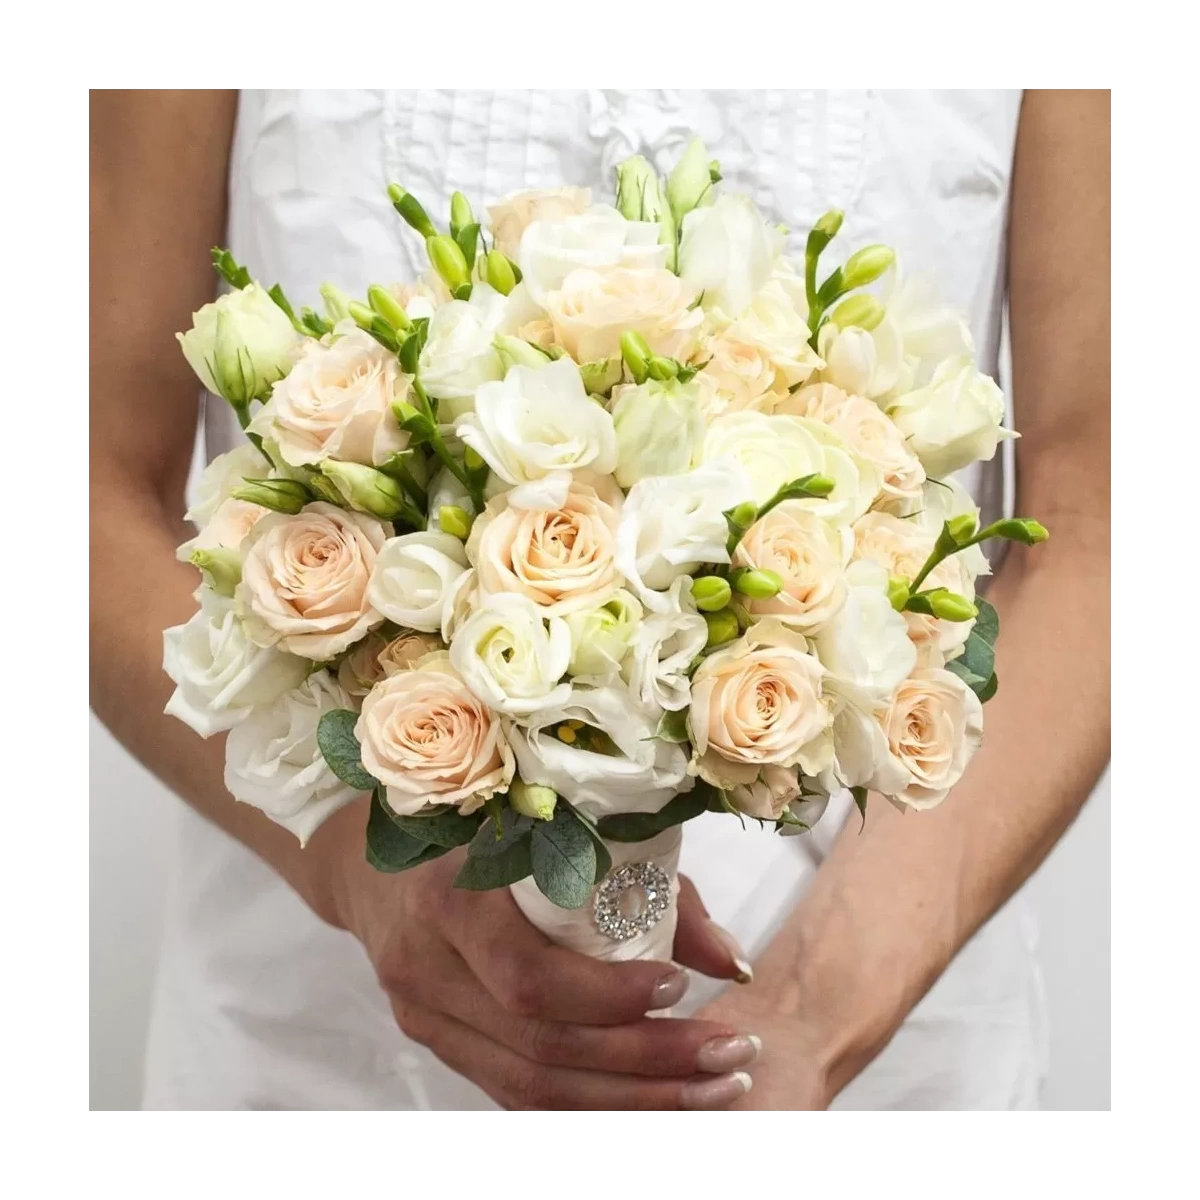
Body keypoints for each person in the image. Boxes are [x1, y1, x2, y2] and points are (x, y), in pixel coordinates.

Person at [90, 89, 1110, 1110]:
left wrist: (811, 1012)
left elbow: (1102, 521)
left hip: (893, 1069)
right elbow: (81, 481)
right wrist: (359, 875)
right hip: (319, 1066)